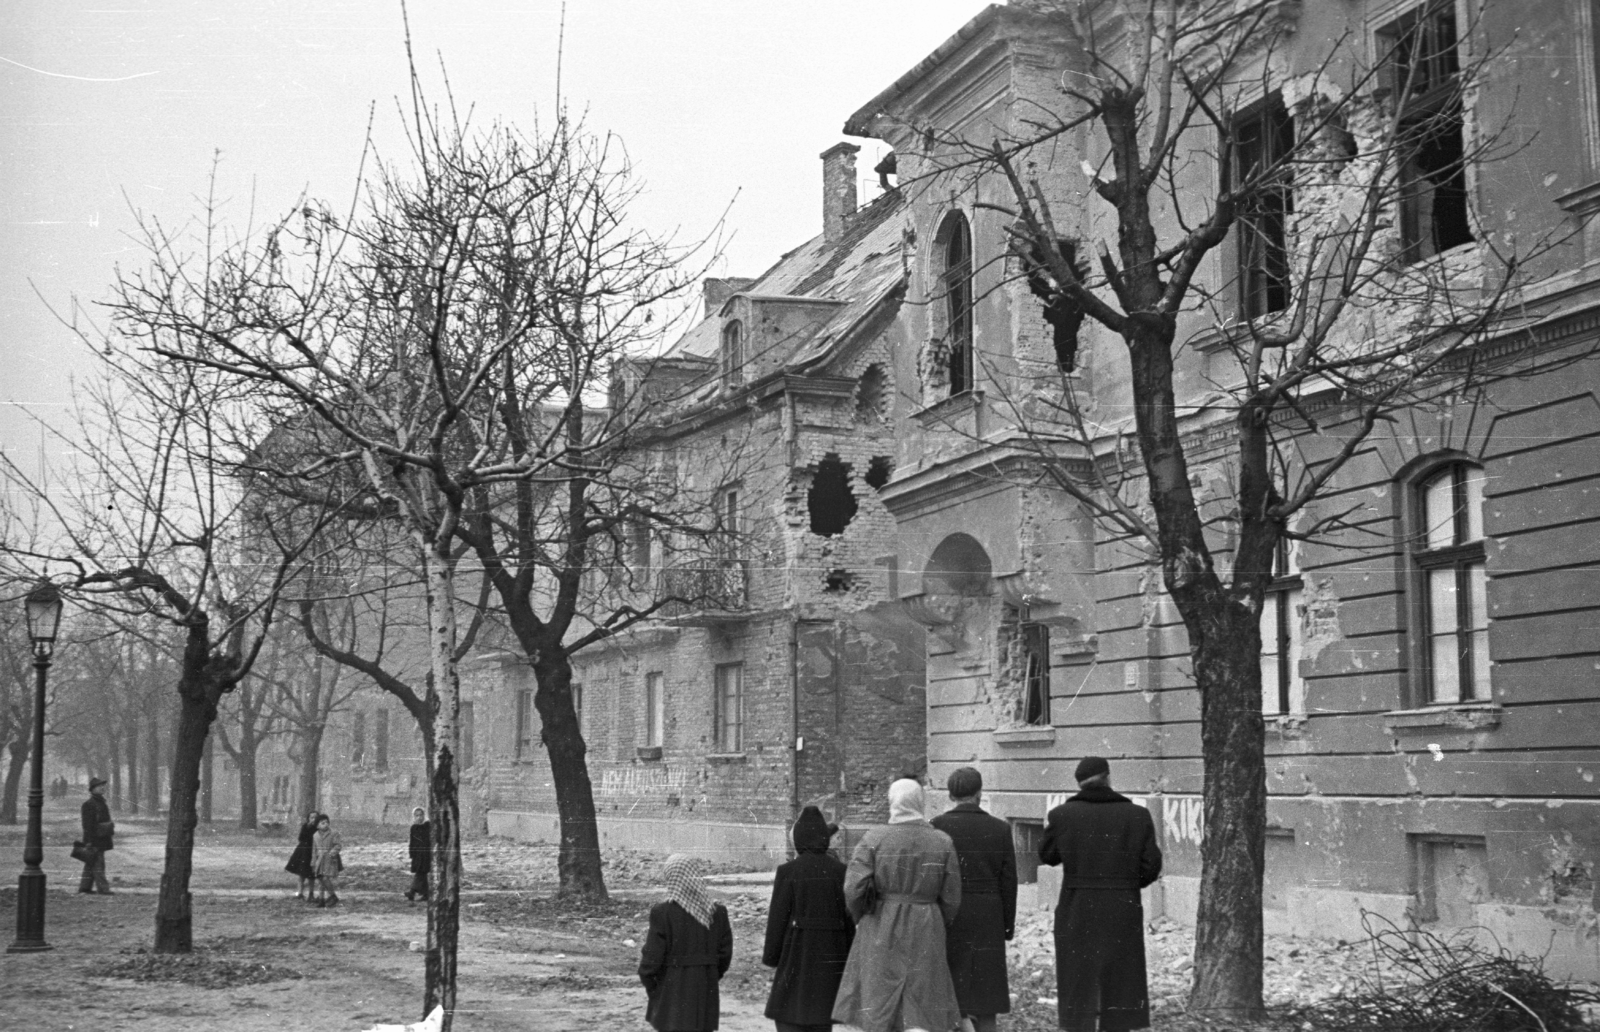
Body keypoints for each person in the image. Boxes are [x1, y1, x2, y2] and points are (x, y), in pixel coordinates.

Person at [1039, 757, 1163, 1032]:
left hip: (1077, 905)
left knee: (1076, 974)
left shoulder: (1062, 815)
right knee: (1122, 974)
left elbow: (1047, 855)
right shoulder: (1136, 814)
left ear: (1079, 784)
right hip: (1122, 904)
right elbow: (1151, 866)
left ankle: (1078, 1026)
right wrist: (1126, 884)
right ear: (1108, 778)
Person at [831, 778, 963, 1032]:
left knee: (878, 998)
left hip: (881, 920)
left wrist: (862, 918)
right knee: (922, 998)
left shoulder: (874, 838)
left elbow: (854, 888)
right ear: (920, 803)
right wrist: (936, 918)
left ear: (892, 803)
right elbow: (951, 896)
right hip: (926, 922)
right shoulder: (942, 841)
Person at [930, 767, 1017, 1032]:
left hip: (949, 912)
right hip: (987, 914)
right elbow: (1009, 882)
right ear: (979, 793)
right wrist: (1006, 926)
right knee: (986, 992)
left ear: (950, 794)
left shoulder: (937, 826)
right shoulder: (1000, 828)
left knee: (951, 988)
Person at [763, 805, 854, 1032]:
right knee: (823, 1013)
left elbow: (777, 919)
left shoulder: (788, 871)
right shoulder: (841, 871)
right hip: (831, 953)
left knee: (791, 1006)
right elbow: (848, 918)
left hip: (797, 950)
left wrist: (773, 957)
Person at [638, 853, 734, 1032]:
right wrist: (709, 974)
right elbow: (724, 956)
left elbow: (651, 960)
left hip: (671, 992)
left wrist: (655, 988)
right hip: (706, 990)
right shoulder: (717, 912)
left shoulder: (662, 912)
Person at [79, 776, 114, 894]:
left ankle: (85, 888)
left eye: (103, 785)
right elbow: (87, 825)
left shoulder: (101, 802)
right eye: (99, 786)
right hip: (94, 839)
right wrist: (89, 841)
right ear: (92, 789)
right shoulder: (89, 804)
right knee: (98, 864)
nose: (102, 788)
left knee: (91, 863)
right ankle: (103, 889)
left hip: (101, 837)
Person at [311, 813, 343, 907]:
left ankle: (333, 896)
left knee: (325, 878)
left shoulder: (334, 833)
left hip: (329, 859)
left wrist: (332, 853)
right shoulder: (315, 835)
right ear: (317, 825)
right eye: (322, 823)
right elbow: (314, 849)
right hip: (320, 860)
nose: (326, 824)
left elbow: (338, 845)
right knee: (320, 880)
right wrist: (313, 861)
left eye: (327, 822)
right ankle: (321, 900)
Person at [285, 811, 319, 901]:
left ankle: (311, 894)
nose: (313, 819)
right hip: (304, 851)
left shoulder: (319, 828)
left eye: (315, 817)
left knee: (312, 875)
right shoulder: (306, 827)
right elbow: (301, 838)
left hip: (314, 851)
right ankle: (300, 893)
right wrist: (308, 827)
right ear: (308, 819)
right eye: (311, 817)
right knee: (302, 873)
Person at [406, 806, 431, 902]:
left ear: (424, 816)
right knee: (421, 873)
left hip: (425, 855)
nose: (419, 817)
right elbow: (412, 842)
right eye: (416, 815)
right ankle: (425, 894)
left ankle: (412, 892)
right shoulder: (413, 828)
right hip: (417, 855)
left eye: (421, 815)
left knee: (420, 873)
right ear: (414, 817)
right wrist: (411, 854)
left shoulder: (427, 826)